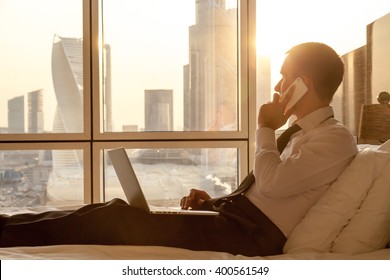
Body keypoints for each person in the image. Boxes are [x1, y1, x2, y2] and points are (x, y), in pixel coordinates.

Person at [0, 42, 358, 256]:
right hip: (232, 219)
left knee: (116, 218)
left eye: (284, 78)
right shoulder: (298, 133)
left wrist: (265, 128)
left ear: (302, 84)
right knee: (114, 210)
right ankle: (7, 225)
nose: (279, 87)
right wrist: (213, 203)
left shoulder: (335, 139)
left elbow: (274, 184)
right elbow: (270, 190)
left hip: (249, 236)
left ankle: (5, 232)